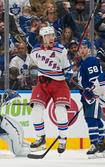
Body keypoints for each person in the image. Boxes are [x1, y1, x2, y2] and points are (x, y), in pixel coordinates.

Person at [29, 26, 73, 154]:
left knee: (60, 111)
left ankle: (63, 139)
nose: (51, 38)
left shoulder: (61, 50)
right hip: (42, 83)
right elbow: (35, 64)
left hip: (59, 84)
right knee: (36, 111)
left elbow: (67, 67)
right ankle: (40, 138)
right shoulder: (35, 50)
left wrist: (68, 73)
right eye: (47, 36)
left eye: (52, 35)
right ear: (42, 38)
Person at [77, 39, 105, 159]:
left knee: (91, 119)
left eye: (85, 47)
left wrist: (90, 91)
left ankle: (94, 145)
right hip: (88, 95)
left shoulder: (91, 61)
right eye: (81, 48)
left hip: (93, 94)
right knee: (96, 119)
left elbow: (96, 78)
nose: (82, 50)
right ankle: (102, 147)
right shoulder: (83, 63)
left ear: (89, 49)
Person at [0, 90, 31, 157]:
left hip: (4, 125)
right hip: (3, 127)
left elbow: (8, 95)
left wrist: (5, 100)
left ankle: (31, 146)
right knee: (17, 150)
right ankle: (30, 146)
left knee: (16, 150)